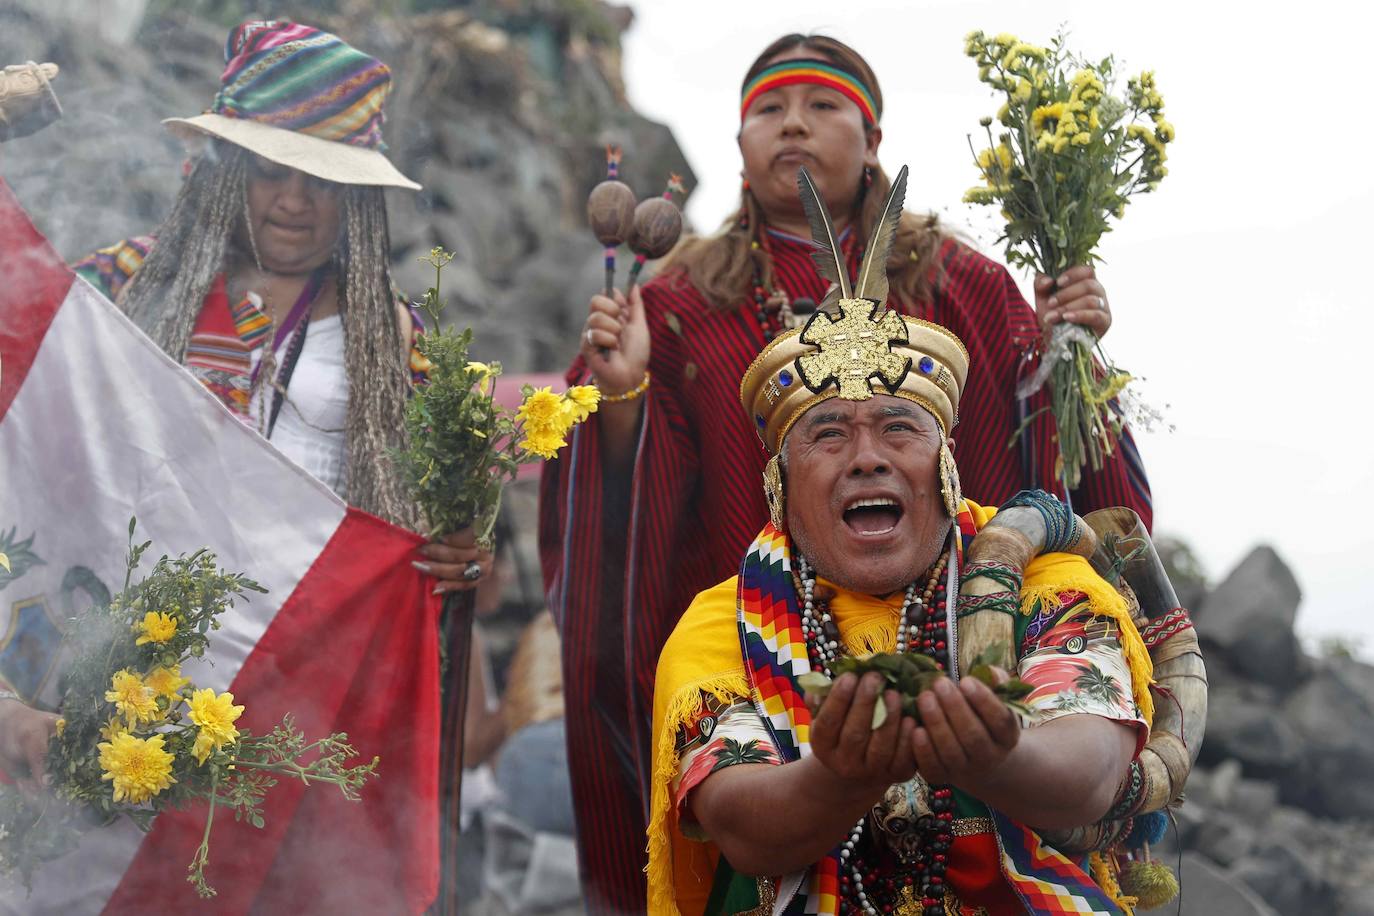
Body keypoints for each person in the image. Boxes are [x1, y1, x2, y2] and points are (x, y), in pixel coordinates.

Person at [539, 32, 1151, 910]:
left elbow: (1042, 443)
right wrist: (624, 395)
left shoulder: (967, 283)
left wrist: (1069, 351)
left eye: (822, 106)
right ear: (741, 150)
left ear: (873, 140)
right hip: (777, 632)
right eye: (767, 111)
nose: (793, 126)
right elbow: (623, 525)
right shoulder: (678, 302)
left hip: (967, 604)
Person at [648, 289, 1153, 915]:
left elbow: (1091, 775)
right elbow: (740, 825)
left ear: (945, 464)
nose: (867, 459)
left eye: (898, 429)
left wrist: (997, 756)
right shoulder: (722, 625)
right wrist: (842, 775)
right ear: (780, 485)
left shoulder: (1040, 577)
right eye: (828, 435)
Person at [71, 21, 490, 591]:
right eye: (270, 172)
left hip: (302, 628)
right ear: (230, 172)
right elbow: (33, 376)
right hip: (130, 625)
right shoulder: (129, 280)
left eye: (322, 179)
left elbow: (447, 513)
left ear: (356, 198)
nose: (295, 201)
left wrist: (464, 551)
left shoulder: (390, 334)